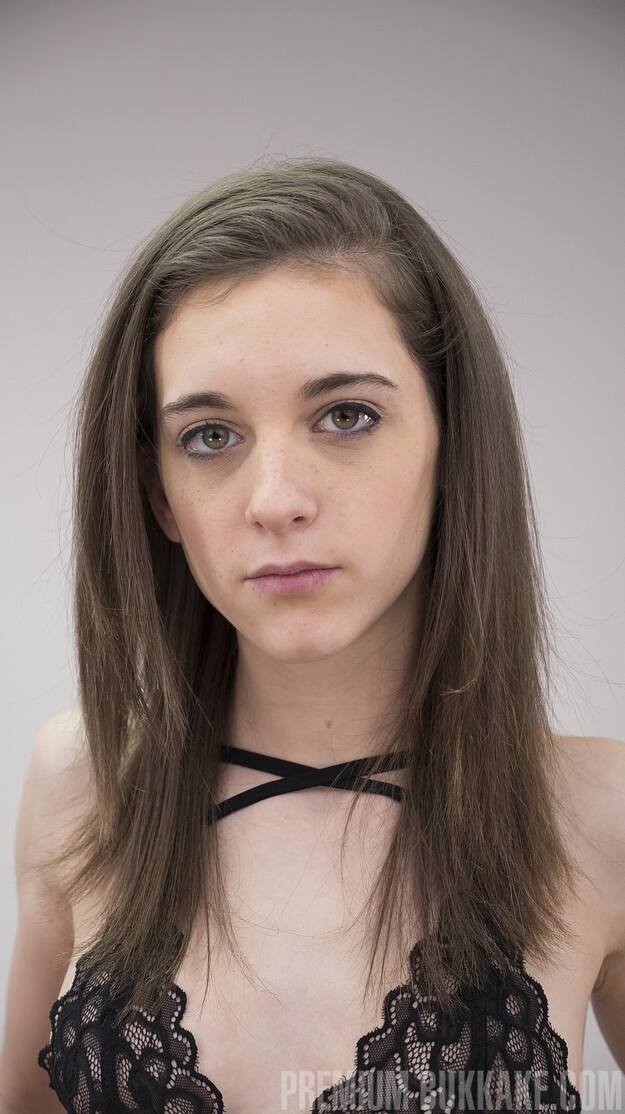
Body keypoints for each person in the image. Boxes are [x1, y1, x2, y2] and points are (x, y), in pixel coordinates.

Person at [0, 157, 623, 1114]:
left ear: (453, 444)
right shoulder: (85, 786)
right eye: (210, 435)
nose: (275, 500)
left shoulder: (596, 818)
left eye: (345, 416)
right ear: (159, 495)